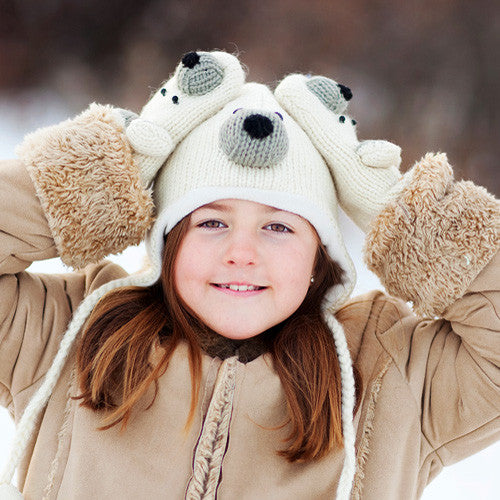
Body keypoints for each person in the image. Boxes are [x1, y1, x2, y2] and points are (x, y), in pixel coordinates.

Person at [0, 50, 498, 500]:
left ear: (319, 258)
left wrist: (400, 213)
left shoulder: (392, 372)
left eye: (278, 226)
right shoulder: (68, 333)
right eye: (211, 222)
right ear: (169, 242)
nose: (242, 252)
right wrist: (106, 172)